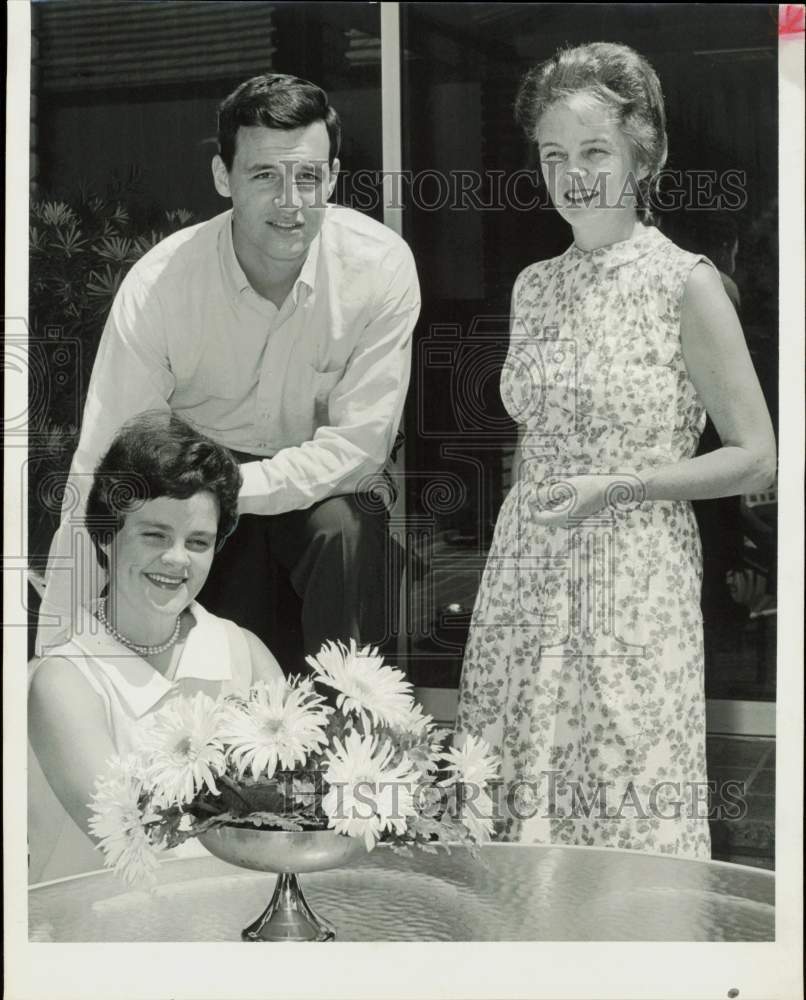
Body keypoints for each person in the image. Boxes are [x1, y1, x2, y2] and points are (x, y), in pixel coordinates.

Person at [455, 43, 776, 858]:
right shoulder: (534, 285)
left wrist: (624, 486)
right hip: (526, 576)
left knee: (627, 805)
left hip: (634, 579)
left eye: (594, 150)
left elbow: (755, 455)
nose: (573, 175)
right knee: (518, 808)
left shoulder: (687, 283)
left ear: (646, 154)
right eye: (553, 155)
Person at [36, 73, 420, 671]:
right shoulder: (163, 284)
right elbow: (103, 464)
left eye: (309, 177)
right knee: (176, 557)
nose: (291, 203)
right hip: (195, 484)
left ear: (334, 179)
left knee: (347, 531)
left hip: (317, 484)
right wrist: (55, 659)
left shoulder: (380, 267)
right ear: (224, 177)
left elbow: (359, 447)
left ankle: (350, 740)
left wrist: (236, 489)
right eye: (265, 175)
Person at [28, 412, 284, 883]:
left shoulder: (245, 652)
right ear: (106, 536)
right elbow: (133, 839)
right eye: (154, 535)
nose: (177, 559)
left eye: (199, 542)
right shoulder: (62, 681)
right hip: (97, 933)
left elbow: (295, 804)